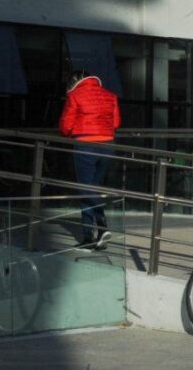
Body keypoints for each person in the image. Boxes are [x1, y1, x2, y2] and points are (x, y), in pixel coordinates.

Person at [59, 70, 121, 250]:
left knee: (86, 190)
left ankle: (95, 232)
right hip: (107, 145)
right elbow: (115, 123)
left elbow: (65, 126)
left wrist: (75, 132)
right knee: (94, 187)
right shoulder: (110, 95)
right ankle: (98, 233)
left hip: (85, 144)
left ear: (76, 81)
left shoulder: (74, 95)